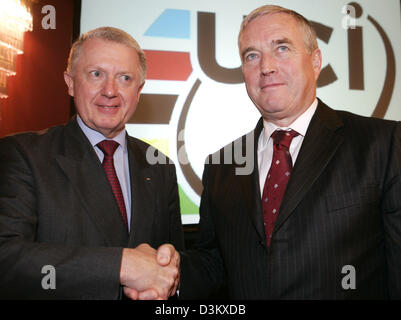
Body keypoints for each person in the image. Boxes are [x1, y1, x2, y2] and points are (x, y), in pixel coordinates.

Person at [176, 5, 401, 299]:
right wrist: (171, 271)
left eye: (281, 48)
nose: (266, 66)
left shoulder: (383, 144)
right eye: (251, 55)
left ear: (316, 61)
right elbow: (215, 266)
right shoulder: (222, 165)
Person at [0, 27, 183, 299]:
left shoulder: (160, 167)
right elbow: (7, 259)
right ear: (70, 82)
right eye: (96, 74)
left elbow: (170, 261)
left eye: (125, 78)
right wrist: (121, 265)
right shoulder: (23, 155)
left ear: (139, 90)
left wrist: (172, 267)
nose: (110, 91)